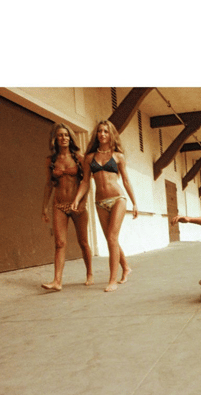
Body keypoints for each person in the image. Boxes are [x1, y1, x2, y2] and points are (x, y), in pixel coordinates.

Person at [72, 120, 138, 292]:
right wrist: (76, 199)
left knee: (111, 238)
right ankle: (126, 268)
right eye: (100, 131)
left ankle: (112, 280)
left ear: (111, 135)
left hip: (118, 198)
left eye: (106, 131)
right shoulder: (89, 158)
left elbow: (125, 180)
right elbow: (85, 182)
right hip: (100, 202)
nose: (102, 134)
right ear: (97, 134)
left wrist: (135, 202)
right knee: (112, 238)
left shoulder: (118, 156)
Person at [41, 123, 93, 291]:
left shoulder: (79, 157)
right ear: (54, 139)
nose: (63, 138)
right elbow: (49, 184)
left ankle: (90, 274)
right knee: (60, 243)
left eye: (66, 135)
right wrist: (44, 207)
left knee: (83, 242)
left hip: (77, 204)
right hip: (59, 205)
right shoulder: (51, 160)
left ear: (70, 138)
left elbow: (86, 181)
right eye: (60, 135)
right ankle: (57, 281)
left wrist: (83, 202)